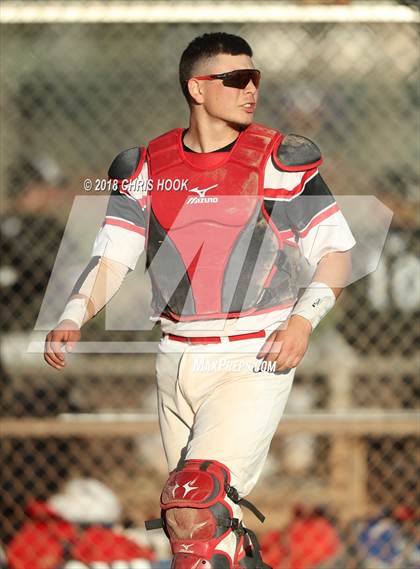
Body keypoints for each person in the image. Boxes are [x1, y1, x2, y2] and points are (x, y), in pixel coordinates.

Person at [44, 33, 355, 569]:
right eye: (234, 79)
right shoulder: (147, 166)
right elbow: (113, 257)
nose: (250, 88)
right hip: (177, 353)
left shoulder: (277, 159)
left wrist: (304, 320)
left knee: (199, 504)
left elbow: (338, 252)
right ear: (196, 87)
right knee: (195, 529)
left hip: (252, 353)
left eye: (254, 77)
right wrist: (73, 315)